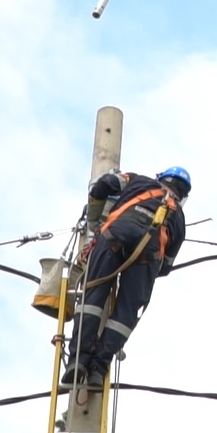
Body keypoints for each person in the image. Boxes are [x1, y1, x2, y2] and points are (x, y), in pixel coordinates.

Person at [61, 166, 191, 388]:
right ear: (184, 195)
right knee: (126, 314)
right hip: (148, 255)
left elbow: (101, 186)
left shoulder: (137, 181)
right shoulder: (179, 218)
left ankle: (78, 361)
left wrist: (94, 222)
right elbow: (165, 266)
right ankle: (97, 368)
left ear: (160, 178)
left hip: (114, 236)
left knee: (92, 299)